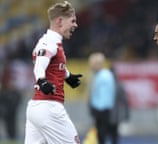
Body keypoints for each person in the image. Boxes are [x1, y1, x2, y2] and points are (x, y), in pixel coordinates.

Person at [24, 1, 82, 144]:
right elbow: (40, 64)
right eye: (72, 21)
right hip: (49, 108)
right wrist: (41, 80)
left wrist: (68, 76)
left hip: (36, 107)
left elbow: (52, 64)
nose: (75, 25)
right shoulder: (49, 42)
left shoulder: (50, 41)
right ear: (60, 21)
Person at [88, 52, 116, 144]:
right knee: (102, 133)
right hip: (102, 108)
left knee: (102, 133)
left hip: (102, 108)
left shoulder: (104, 75)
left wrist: (95, 107)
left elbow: (102, 94)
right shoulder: (103, 74)